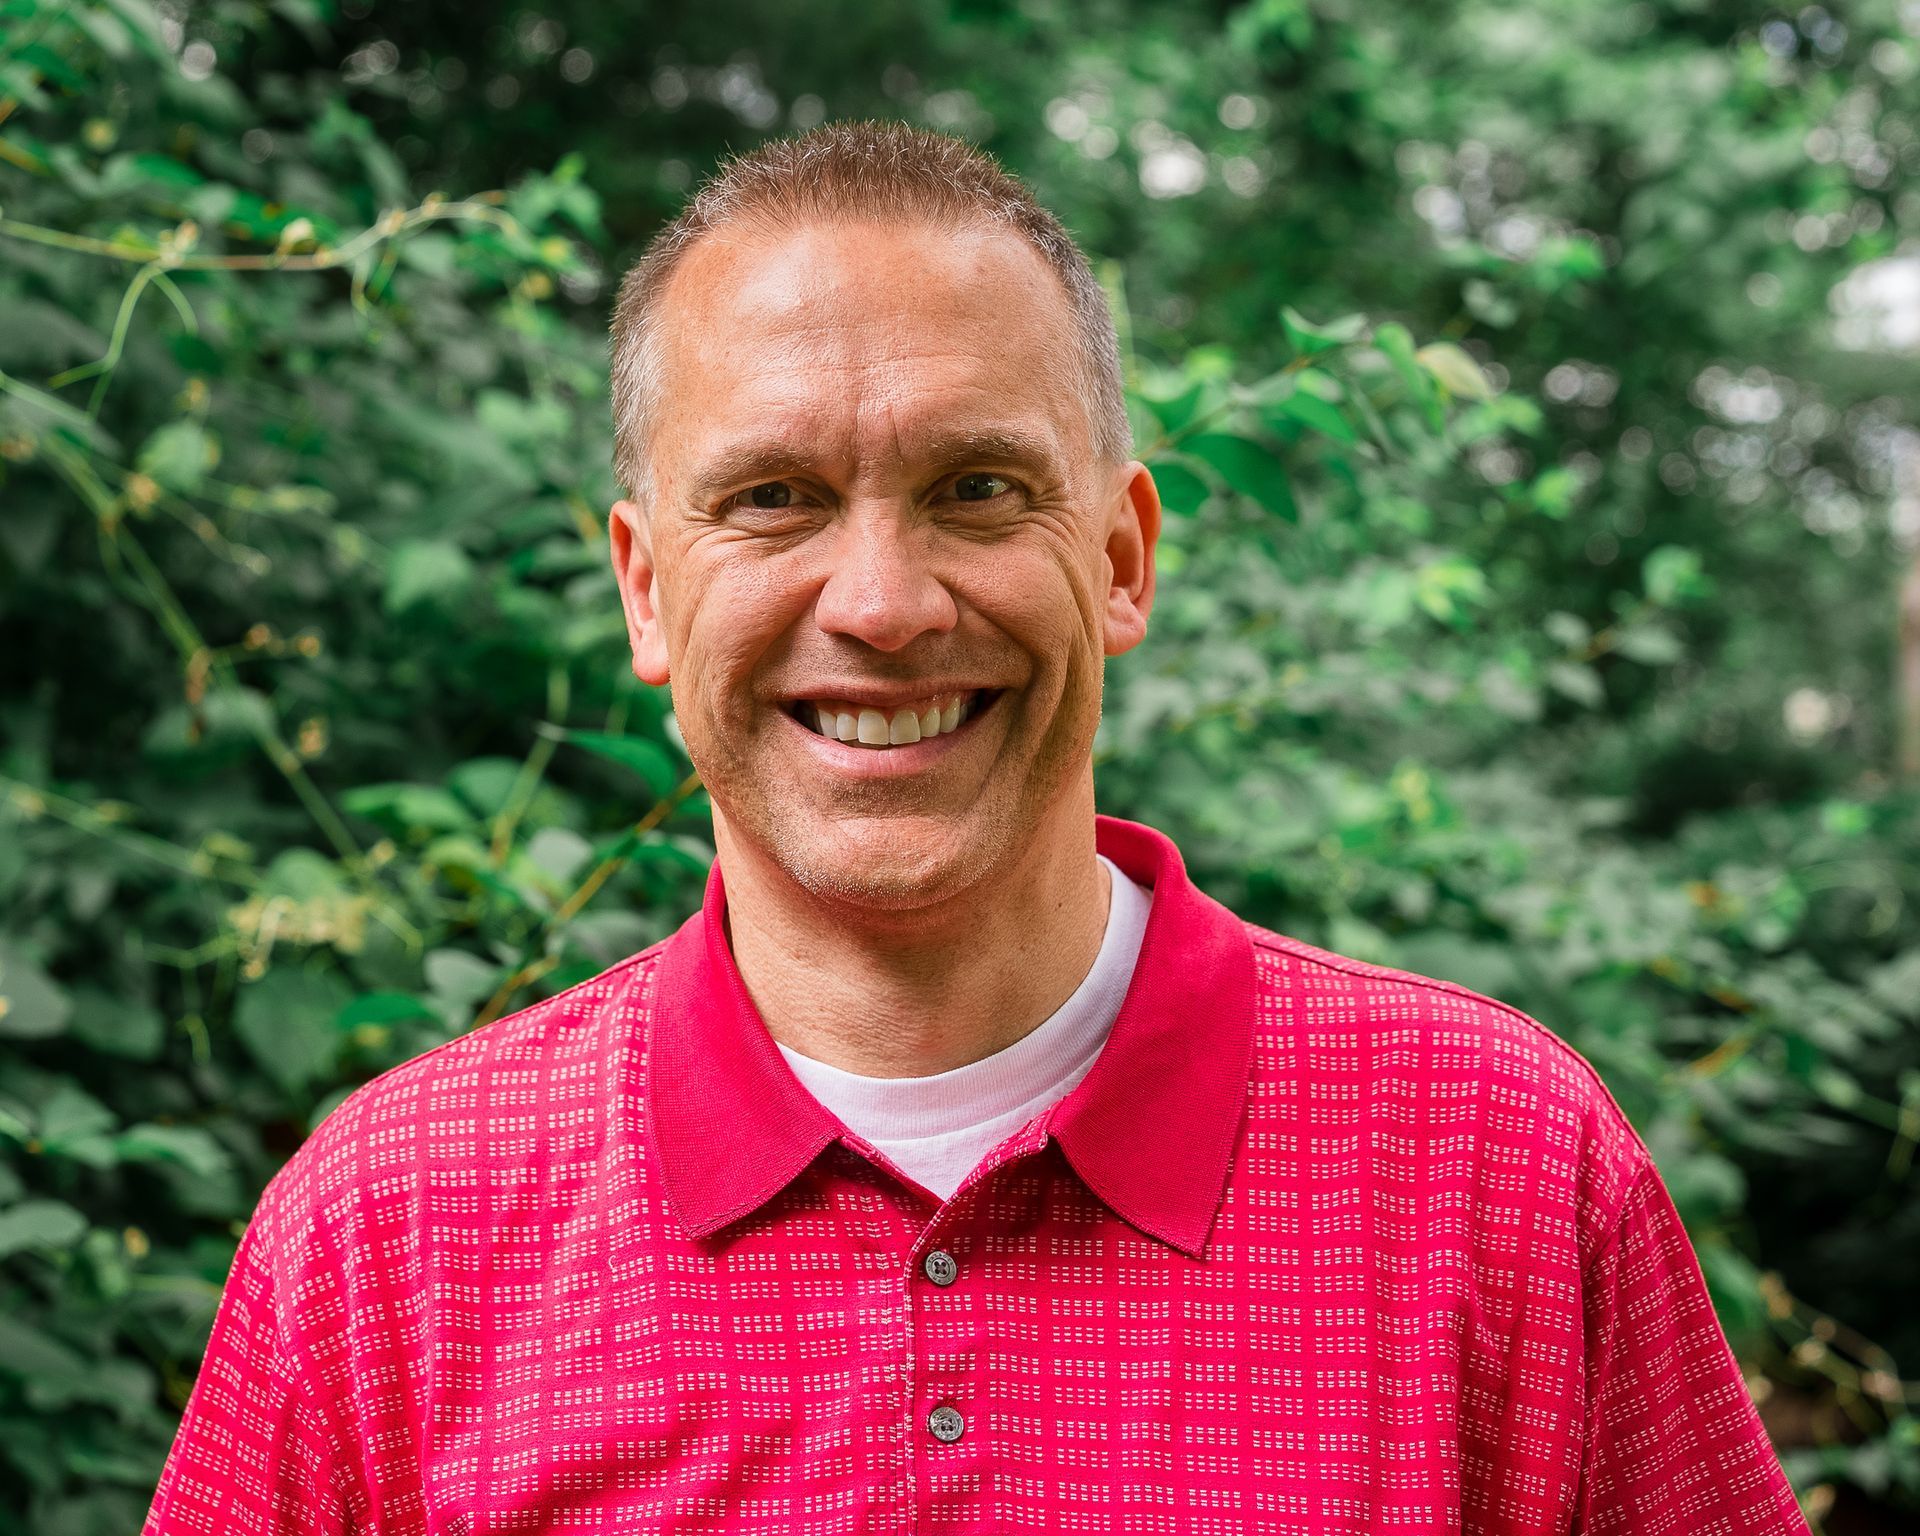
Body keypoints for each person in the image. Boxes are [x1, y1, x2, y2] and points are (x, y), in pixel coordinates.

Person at [142, 119, 1811, 1535]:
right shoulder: (388, 1239)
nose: (881, 604)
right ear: (647, 590)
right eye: (774, 498)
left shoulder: (1502, 1170)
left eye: (978, 490)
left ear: (1122, 559)